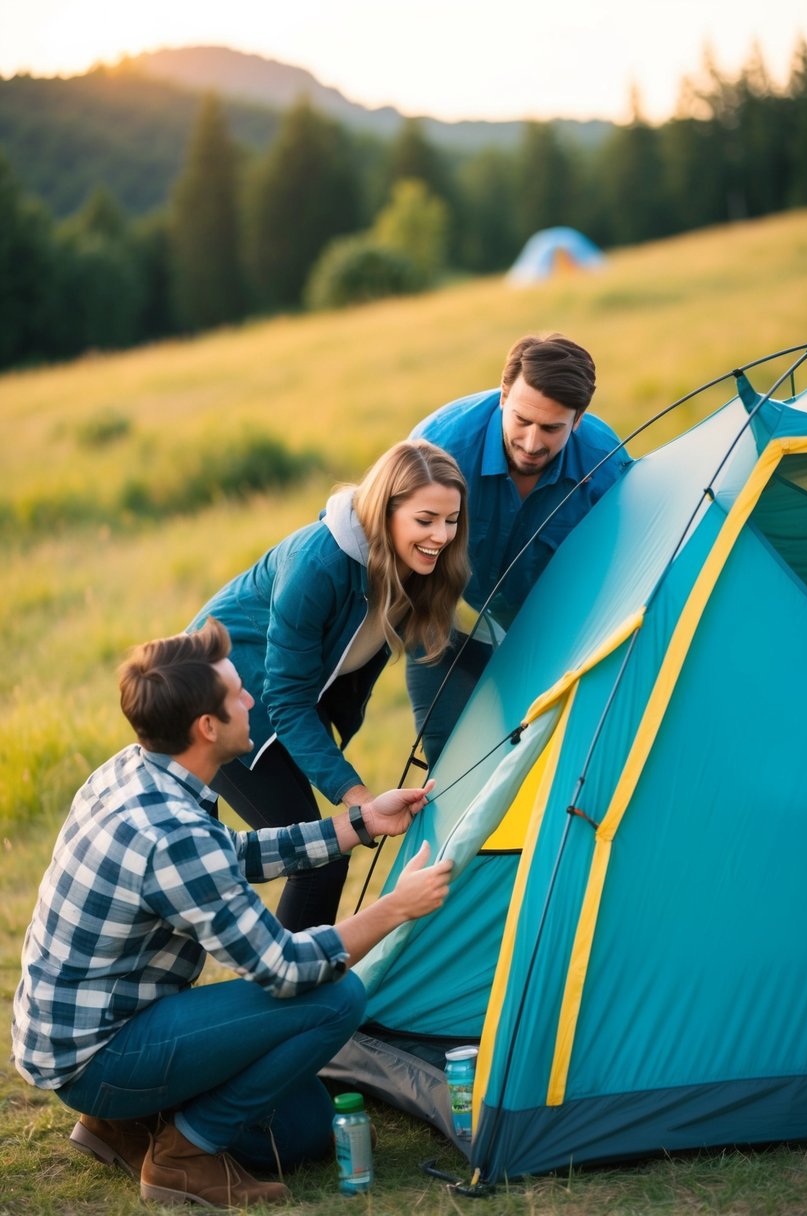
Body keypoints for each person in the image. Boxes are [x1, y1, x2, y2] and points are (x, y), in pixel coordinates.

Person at [11, 618, 453, 1209]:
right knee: (338, 997)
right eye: (238, 694)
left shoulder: (137, 771)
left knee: (303, 1128)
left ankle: (121, 1124)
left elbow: (229, 855)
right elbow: (289, 969)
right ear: (206, 726)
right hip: (99, 1056)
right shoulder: (172, 834)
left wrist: (359, 822)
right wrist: (396, 909)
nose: (252, 699)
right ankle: (183, 1157)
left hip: (78, 1035)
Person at [187, 438, 469, 931]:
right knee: (322, 855)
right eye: (425, 520)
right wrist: (357, 799)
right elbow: (287, 698)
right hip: (221, 702)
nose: (442, 536)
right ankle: (291, 992)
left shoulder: (416, 563)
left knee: (324, 853)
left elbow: (445, 647)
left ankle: (303, 985)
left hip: (280, 704)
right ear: (385, 511)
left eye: (451, 520)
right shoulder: (318, 565)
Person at [408, 332, 630, 765]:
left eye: (551, 429)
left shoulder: (609, 467)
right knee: (449, 760)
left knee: (565, 759)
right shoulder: (437, 447)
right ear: (503, 395)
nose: (532, 443)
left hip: (558, 632)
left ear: (578, 419)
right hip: (441, 616)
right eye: (522, 421)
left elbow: (620, 576)